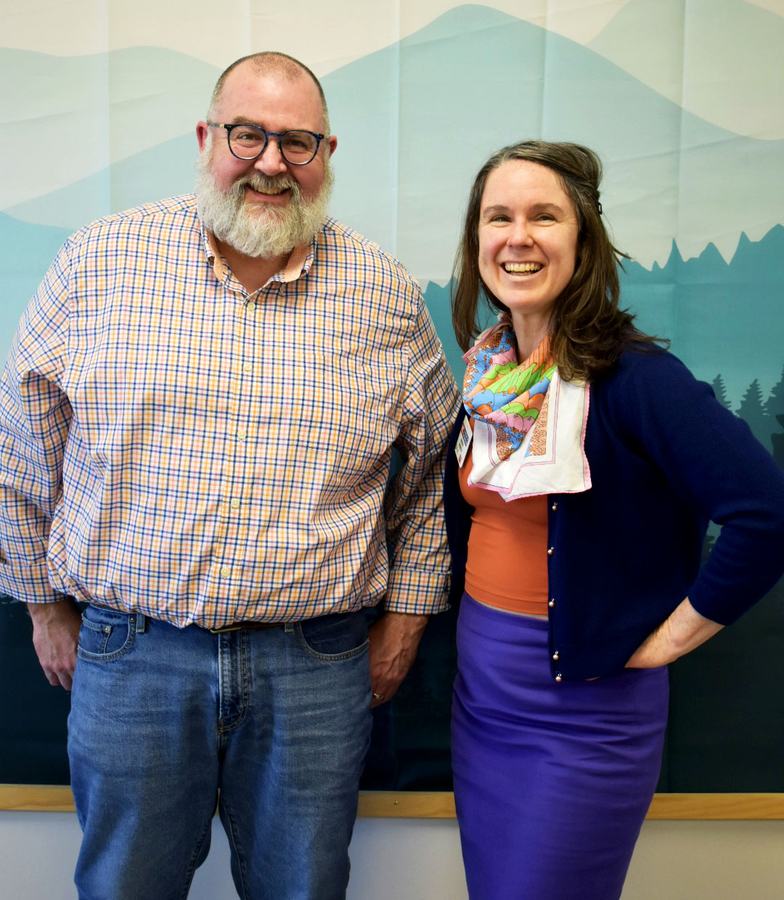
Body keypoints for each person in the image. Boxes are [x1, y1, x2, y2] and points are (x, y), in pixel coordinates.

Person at [0, 52, 459, 899]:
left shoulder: (384, 294)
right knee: (122, 889)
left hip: (318, 665)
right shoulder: (99, 264)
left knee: (303, 888)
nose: (272, 162)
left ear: (327, 153)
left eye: (299, 142)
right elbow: (23, 448)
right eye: (249, 134)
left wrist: (408, 616)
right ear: (208, 136)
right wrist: (40, 603)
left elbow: (427, 475)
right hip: (130, 653)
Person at [443, 140, 784, 900]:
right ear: (476, 244)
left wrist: (668, 640)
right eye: (498, 218)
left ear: (584, 240)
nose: (517, 237)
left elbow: (767, 513)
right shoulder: (484, 373)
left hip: (586, 717)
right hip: (482, 704)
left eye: (544, 216)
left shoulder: (638, 380)